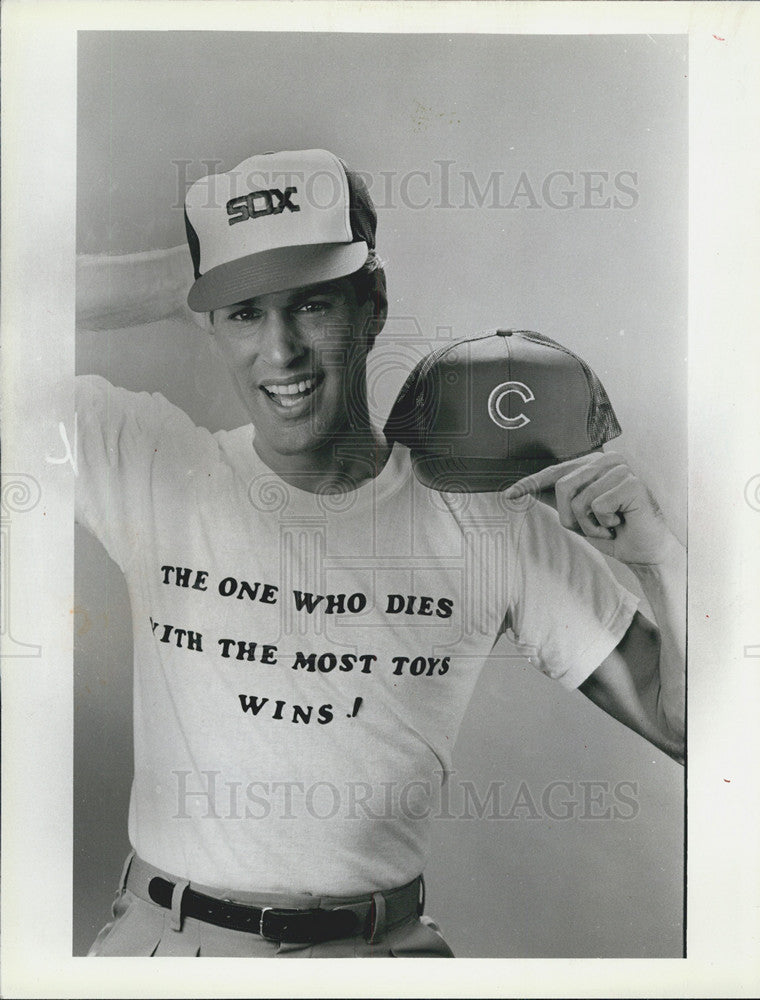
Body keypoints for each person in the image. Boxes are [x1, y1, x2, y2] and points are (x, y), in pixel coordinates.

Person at [76, 148, 685, 958]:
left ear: (374, 303)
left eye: (314, 305)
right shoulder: (149, 465)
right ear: (210, 324)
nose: (281, 352)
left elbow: (693, 731)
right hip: (167, 950)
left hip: (379, 955)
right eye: (245, 313)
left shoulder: (483, 517)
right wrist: (196, 270)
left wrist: (661, 562)